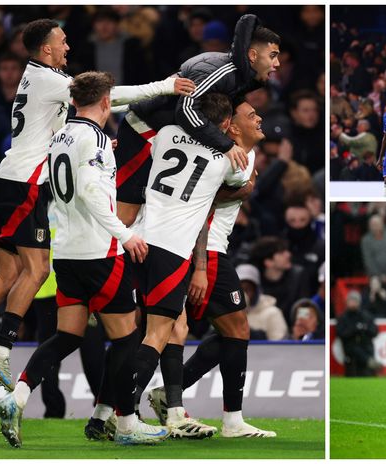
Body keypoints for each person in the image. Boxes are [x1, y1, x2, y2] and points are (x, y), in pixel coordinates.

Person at [0, 17, 196, 395]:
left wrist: (95, 147)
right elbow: (108, 96)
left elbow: (57, 129)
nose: (68, 47)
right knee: (38, 270)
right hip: (25, 184)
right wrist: (165, 86)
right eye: (63, 42)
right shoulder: (53, 81)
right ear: (46, 49)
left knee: (8, 275)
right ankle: (1, 346)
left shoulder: (36, 78)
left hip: (7, 179)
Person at [0, 71, 167, 448]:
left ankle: (18, 396)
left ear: (74, 102)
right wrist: (126, 235)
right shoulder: (96, 139)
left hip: (67, 252)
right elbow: (91, 191)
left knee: (67, 335)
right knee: (127, 338)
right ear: (106, 101)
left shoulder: (60, 137)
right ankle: (125, 423)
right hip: (100, 251)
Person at [147, 99, 276, 439]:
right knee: (234, 329)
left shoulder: (241, 158)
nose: (259, 118)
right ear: (232, 127)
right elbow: (199, 208)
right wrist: (202, 266)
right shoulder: (228, 157)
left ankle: (157, 400)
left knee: (198, 329)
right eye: (251, 116)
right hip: (205, 251)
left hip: (189, 248)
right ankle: (230, 420)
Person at [129, 93, 251, 440]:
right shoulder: (226, 160)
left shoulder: (166, 133)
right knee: (158, 334)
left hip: (138, 240)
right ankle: (125, 416)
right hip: (173, 248)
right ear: (226, 126)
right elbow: (240, 188)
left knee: (142, 331)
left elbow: (140, 119)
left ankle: (123, 413)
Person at [113, 14, 275, 227]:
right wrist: (227, 145)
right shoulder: (220, 69)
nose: (278, 63)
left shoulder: (240, 77)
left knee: (143, 215)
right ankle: (87, 255)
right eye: (273, 55)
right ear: (253, 55)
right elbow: (186, 110)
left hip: (164, 136)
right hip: (144, 132)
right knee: (125, 216)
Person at [237, 263, 288, 340]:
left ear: (256, 291)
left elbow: (280, 348)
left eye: (247, 289)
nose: (243, 294)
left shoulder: (272, 313)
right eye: (239, 289)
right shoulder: (227, 315)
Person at [336, 290, 379, 377]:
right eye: (350, 300)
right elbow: (341, 334)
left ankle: (369, 362)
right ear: (346, 302)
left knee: (365, 348)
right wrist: (355, 329)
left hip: (366, 346)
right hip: (350, 348)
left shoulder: (366, 316)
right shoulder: (343, 318)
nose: (352, 303)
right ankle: (368, 361)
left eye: (355, 300)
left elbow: (374, 332)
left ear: (359, 302)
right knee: (353, 348)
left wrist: (364, 329)